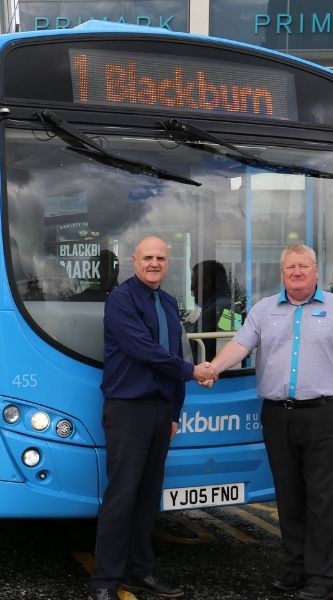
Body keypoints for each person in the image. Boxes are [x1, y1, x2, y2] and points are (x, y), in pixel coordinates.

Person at [203, 244, 333, 600]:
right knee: (290, 496)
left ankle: (322, 577)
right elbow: (240, 345)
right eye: (290, 267)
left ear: (315, 271)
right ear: (282, 272)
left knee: (324, 498)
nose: (297, 272)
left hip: (326, 415)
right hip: (279, 415)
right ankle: (295, 568)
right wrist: (212, 369)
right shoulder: (264, 310)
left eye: (303, 266)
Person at [90, 235, 213, 600]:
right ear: (134, 261)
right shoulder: (121, 301)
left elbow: (175, 351)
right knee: (121, 496)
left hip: (160, 412)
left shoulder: (169, 302)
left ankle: (140, 572)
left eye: (160, 257)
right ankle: (104, 581)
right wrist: (194, 372)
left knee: (147, 497)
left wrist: (175, 410)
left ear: (168, 263)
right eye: (148, 257)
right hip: (128, 410)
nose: (154, 263)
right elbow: (144, 351)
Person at [188, 260, 233, 362]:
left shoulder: (226, 309)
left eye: (194, 282)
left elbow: (232, 354)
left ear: (207, 284)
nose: (191, 288)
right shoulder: (218, 307)